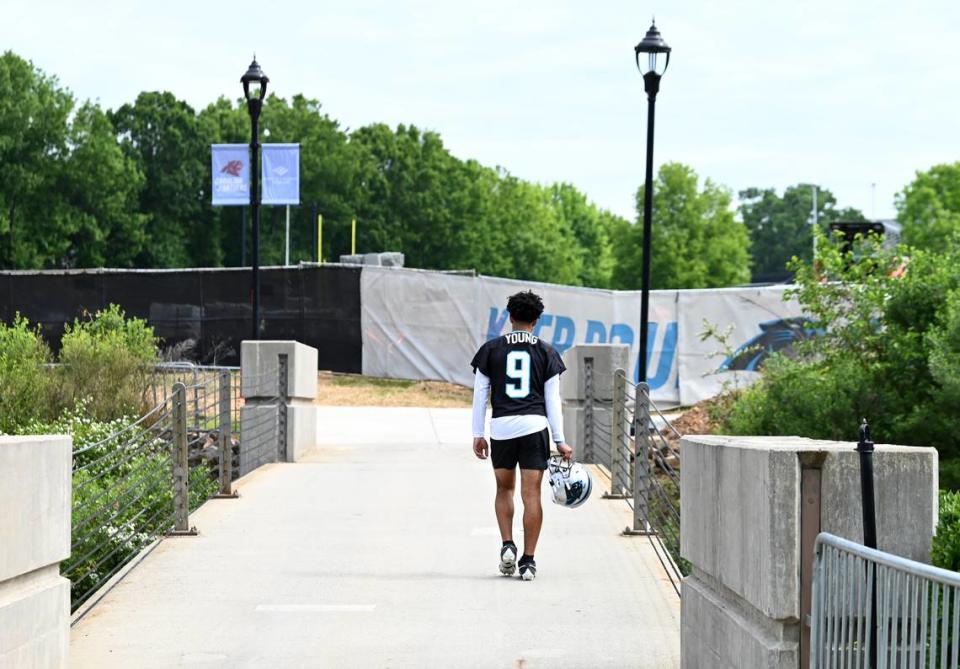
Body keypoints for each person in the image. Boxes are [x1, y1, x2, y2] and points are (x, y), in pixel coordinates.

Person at [470, 290, 572, 581]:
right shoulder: (547, 352)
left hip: (502, 428)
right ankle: (528, 561)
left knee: (504, 490)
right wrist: (559, 439)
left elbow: (480, 396)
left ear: (510, 317)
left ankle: (506, 545)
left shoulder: (490, 350)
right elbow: (553, 401)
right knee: (531, 495)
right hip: (534, 428)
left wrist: (478, 434)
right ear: (536, 321)